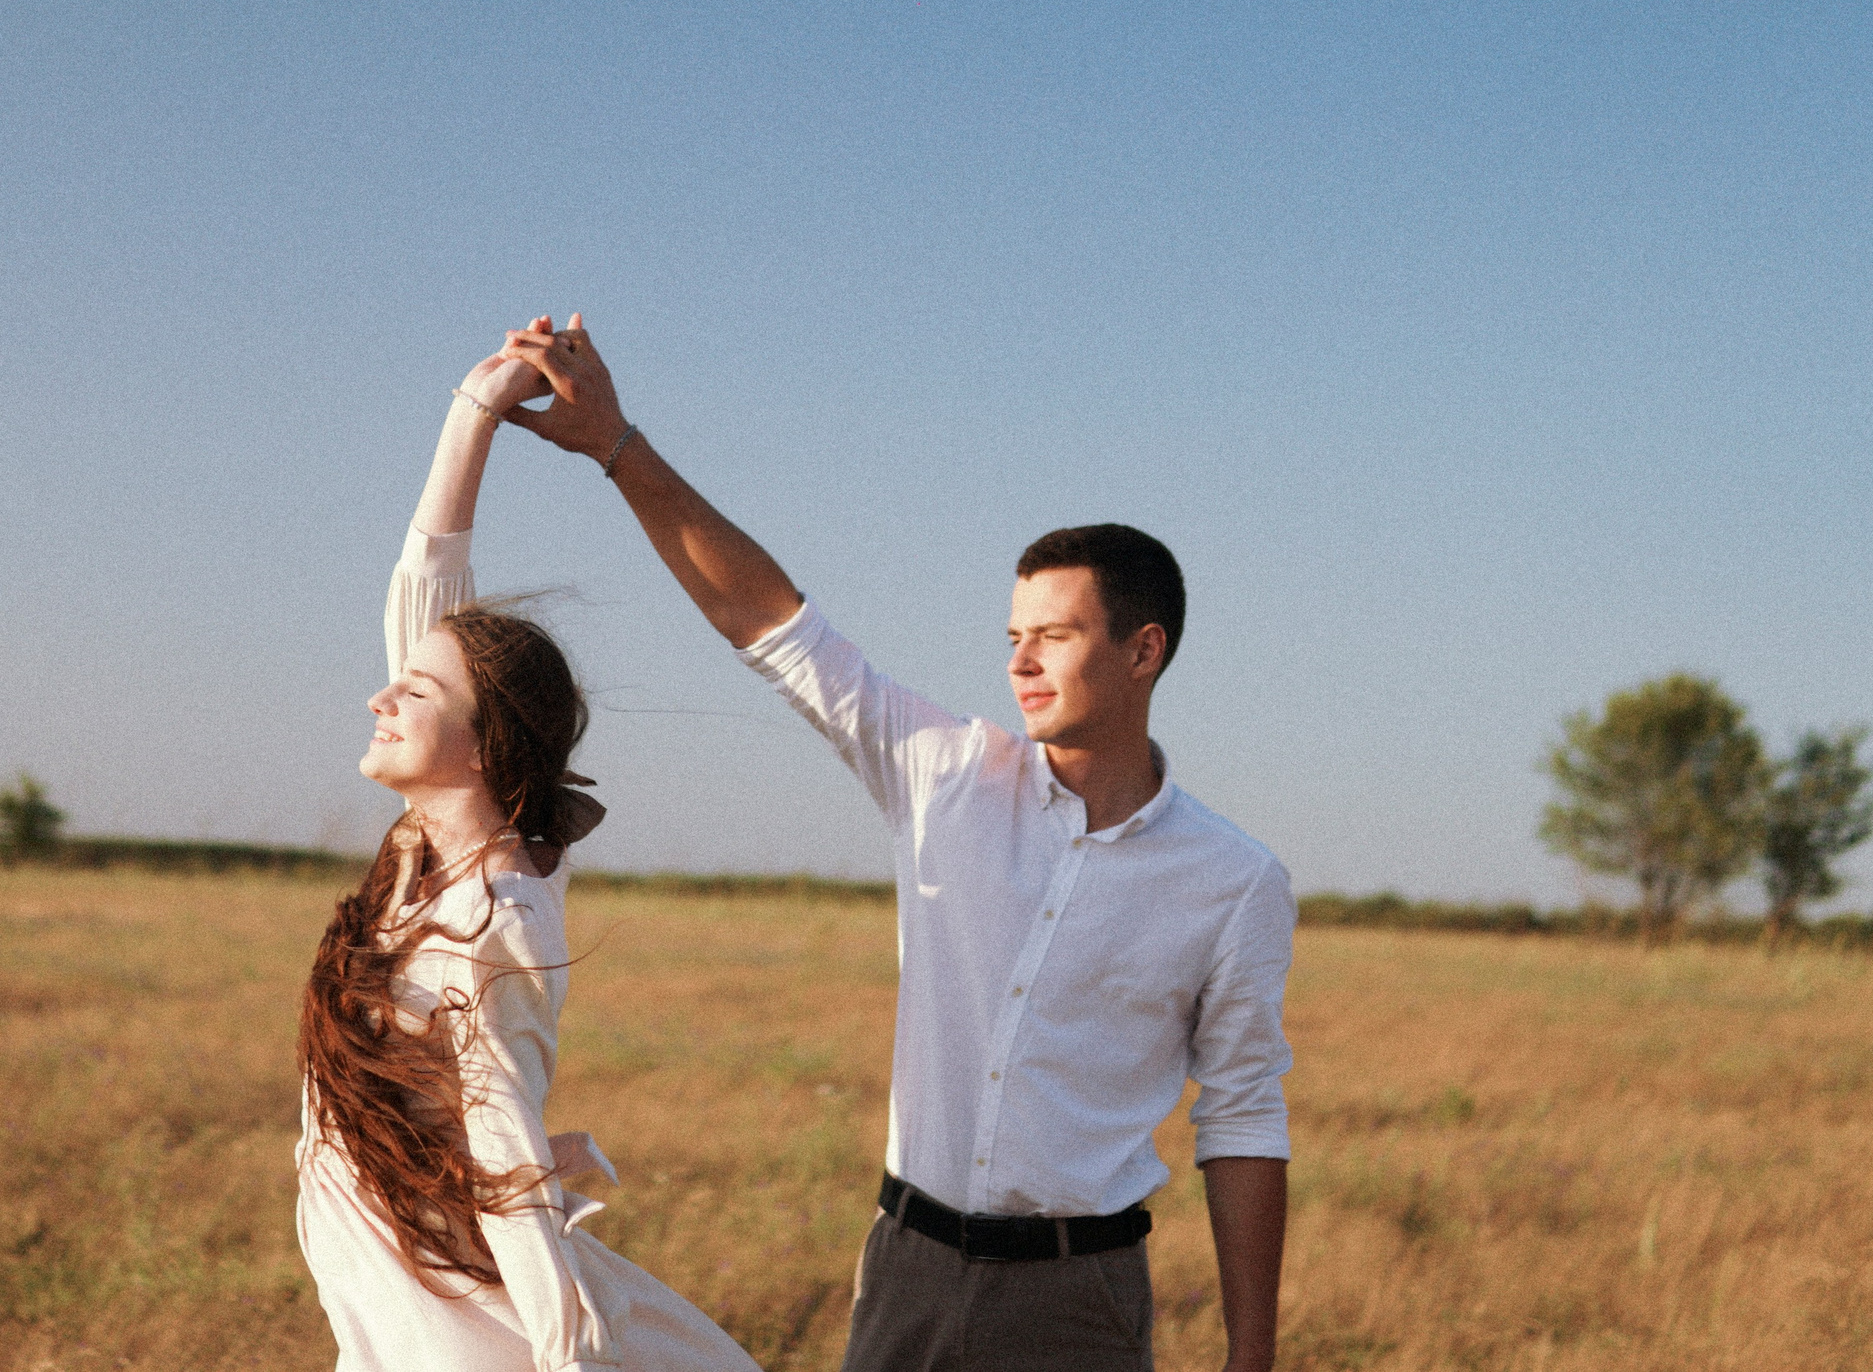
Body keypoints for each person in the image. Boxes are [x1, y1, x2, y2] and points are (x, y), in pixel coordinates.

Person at [495, 314, 1294, 1372]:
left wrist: (1251, 1356)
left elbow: (1240, 1120)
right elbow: (768, 622)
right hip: (906, 1266)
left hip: (1079, 1298)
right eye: (1012, 637)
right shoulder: (946, 774)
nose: (1020, 660)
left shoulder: (1233, 882)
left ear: (1143, 650)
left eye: (1054, 635)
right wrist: (615, 447)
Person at [294, 328, 760, 1372]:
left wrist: (564, 1352)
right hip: (397, 1278)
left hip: (448, 1321)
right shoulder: (430, 846)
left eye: (412, 694)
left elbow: (504, 1149)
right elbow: (427, 591)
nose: (381, 694)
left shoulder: (491, 922)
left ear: (481, 743)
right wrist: (477, 407)